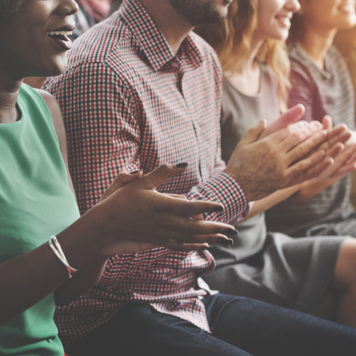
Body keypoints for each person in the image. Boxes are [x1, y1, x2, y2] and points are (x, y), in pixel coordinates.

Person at [43, 0, 356, 355]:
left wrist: (285, 169)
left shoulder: (203, 59)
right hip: (108, 315)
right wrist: (240, 181)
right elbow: (102, 261)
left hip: (190, 294)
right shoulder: (102, 70)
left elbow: (216, 187)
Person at [0, 0, 243, 355]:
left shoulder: (45, 111)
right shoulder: (101, 67)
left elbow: (61, 295)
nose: (70, 6)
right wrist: (98, 227)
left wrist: (104, 240)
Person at [197, 0, 356, 328]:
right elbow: (219, 203)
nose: (295, 5)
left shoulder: (271, 73)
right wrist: (303, 175)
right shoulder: (210, 80)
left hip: (264, 243)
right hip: (222, 259)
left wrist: (321, 165)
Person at [265, 1, 356, 237]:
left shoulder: (334, 59)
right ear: (301, 4)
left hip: (342, 218)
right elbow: (299, 187)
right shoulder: (292, 69)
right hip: (306, 229)